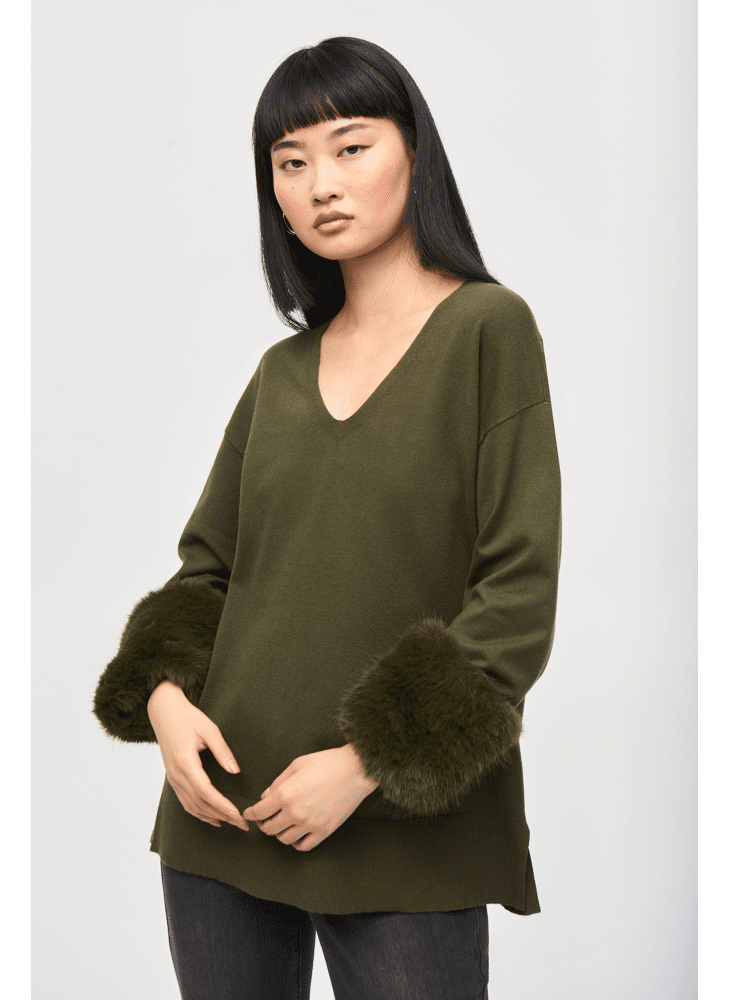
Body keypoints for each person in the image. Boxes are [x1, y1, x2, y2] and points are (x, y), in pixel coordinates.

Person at [92, 35, 562, 1000]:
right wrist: (165, 702)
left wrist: (366, 765)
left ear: (414, 152)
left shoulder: (488, 329)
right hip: (221, 815)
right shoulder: (281, 373)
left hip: (399, 827)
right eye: (291, 162)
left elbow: (516, 592)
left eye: (352, 147)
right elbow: (206, 571)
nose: (322, 185)